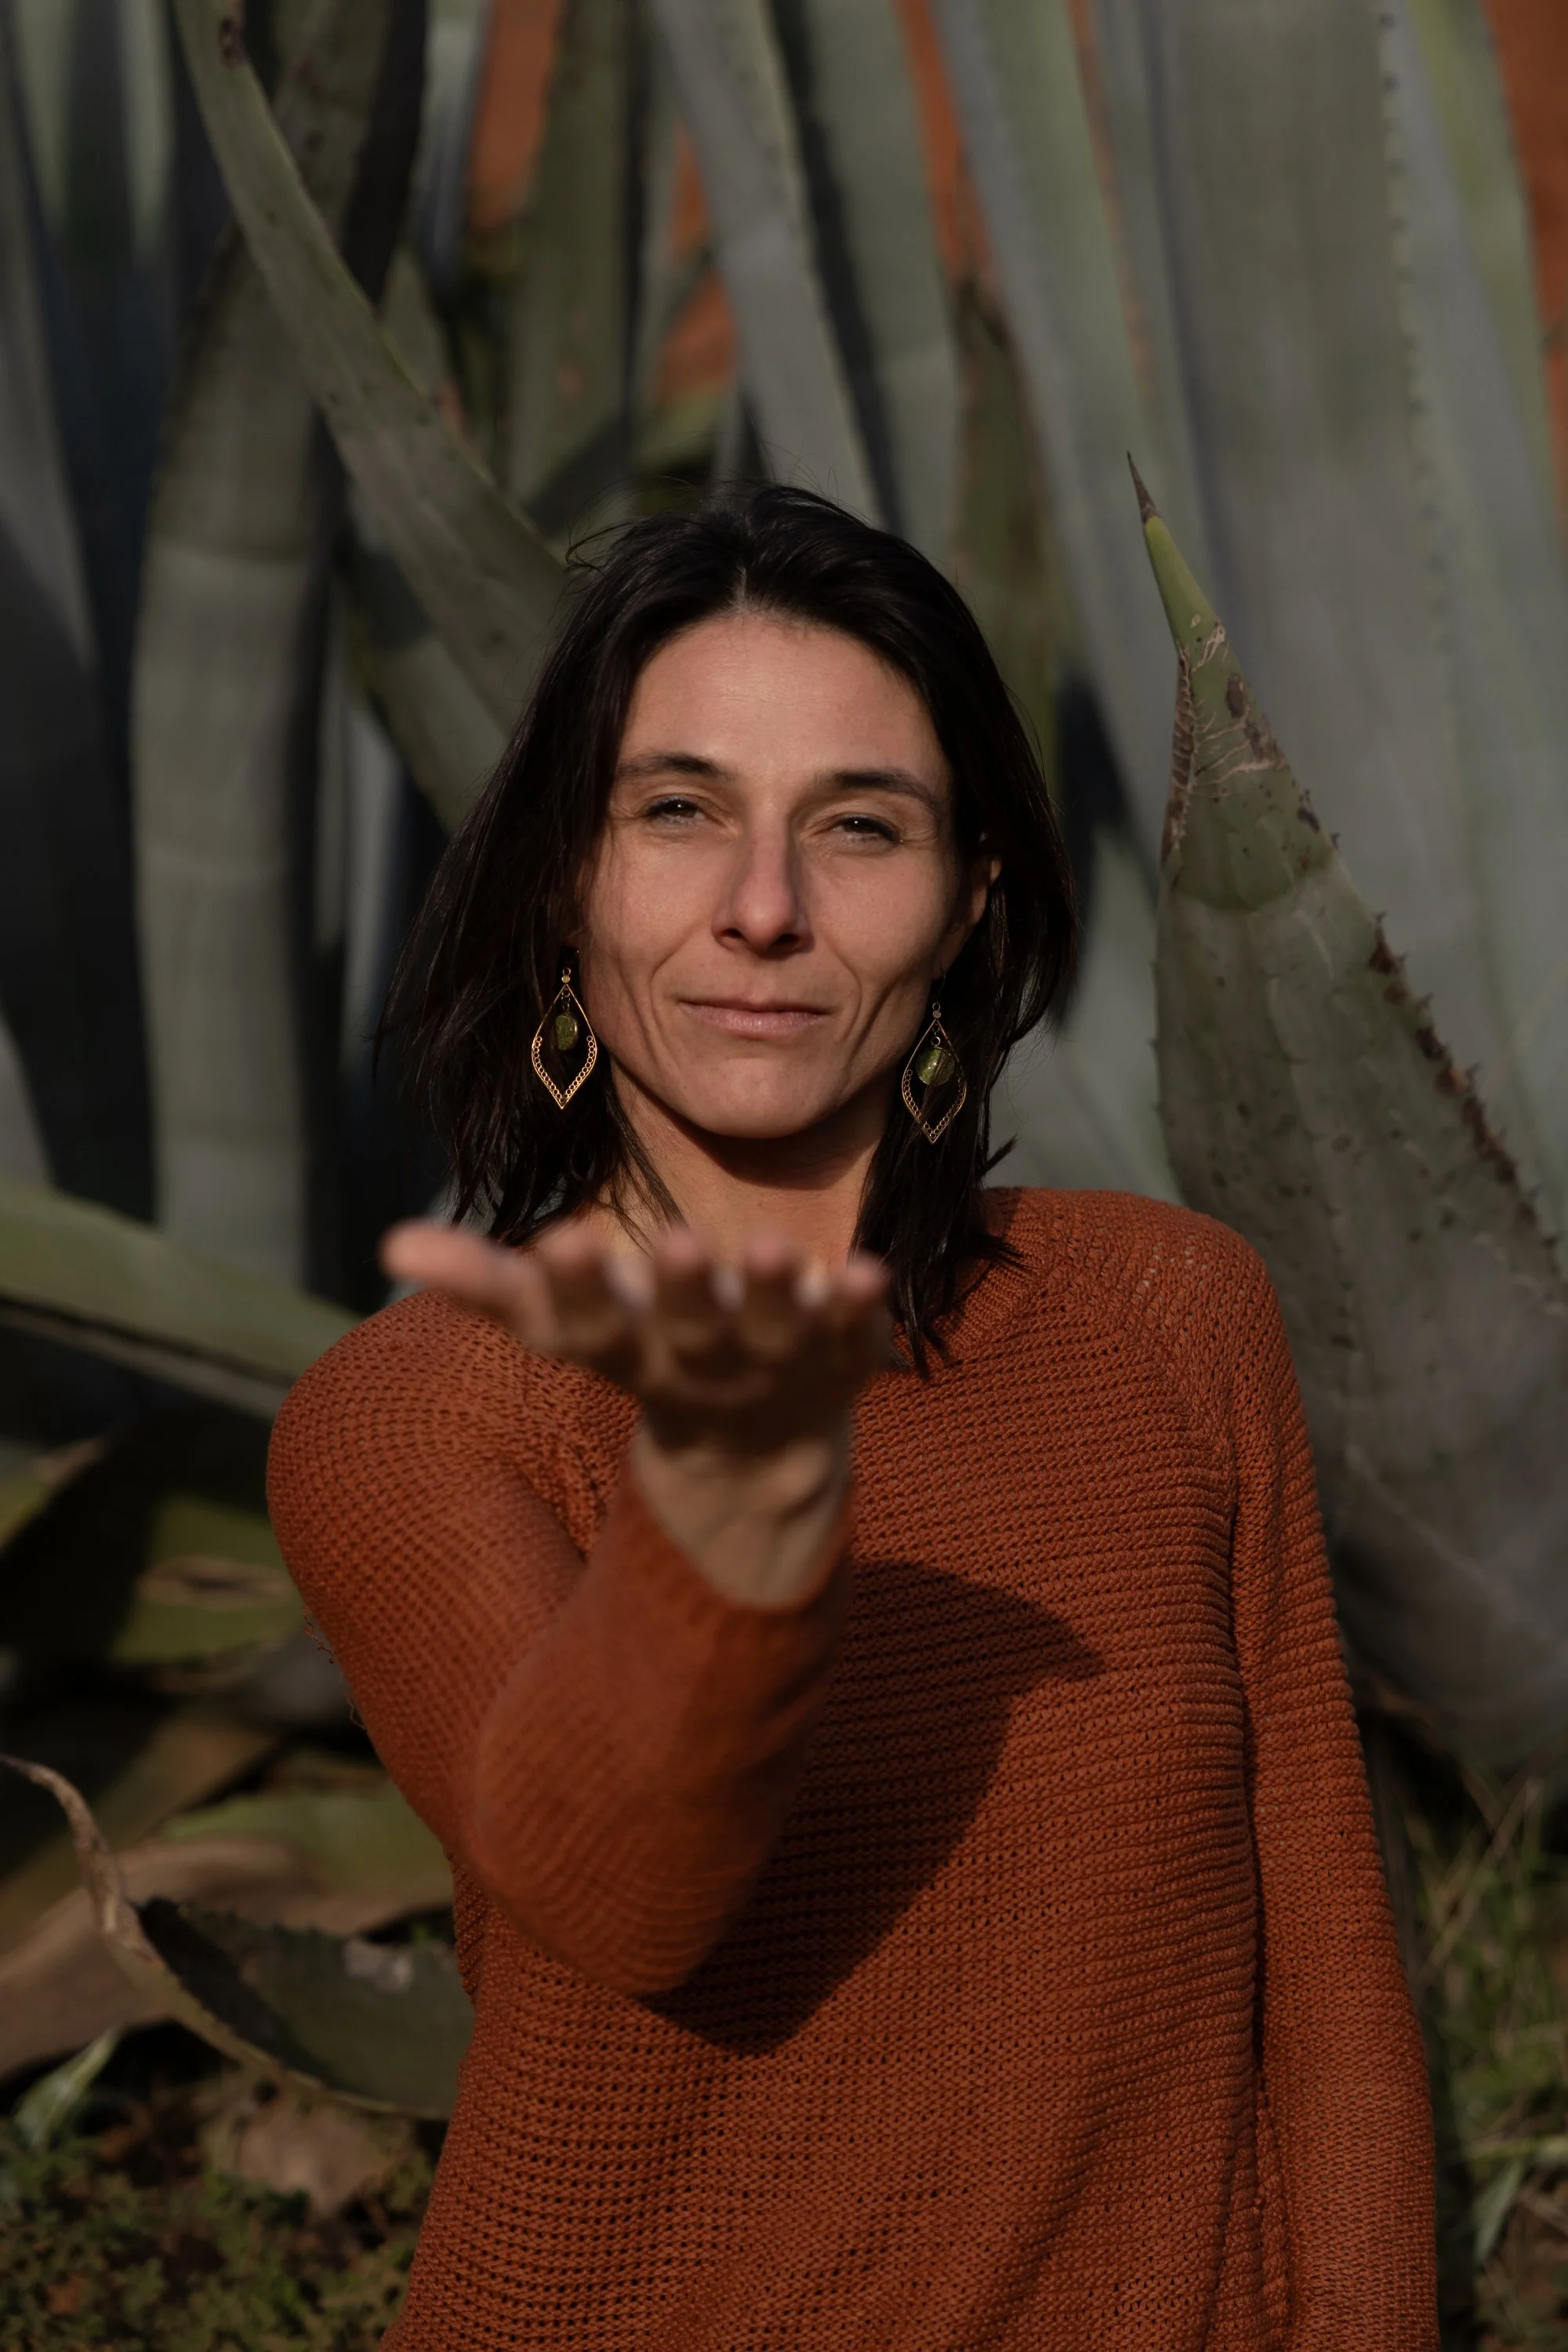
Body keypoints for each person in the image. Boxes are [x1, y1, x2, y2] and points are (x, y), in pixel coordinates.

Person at [267, 485, 1437, 2350]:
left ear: (969, 902)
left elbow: (1329, 1979)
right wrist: (731, 1527)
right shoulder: (415, 1420)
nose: (761, 909)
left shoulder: (1165, 1314)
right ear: (567, 876)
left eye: (859, 828)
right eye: (679, 811)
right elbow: (617, 1898)